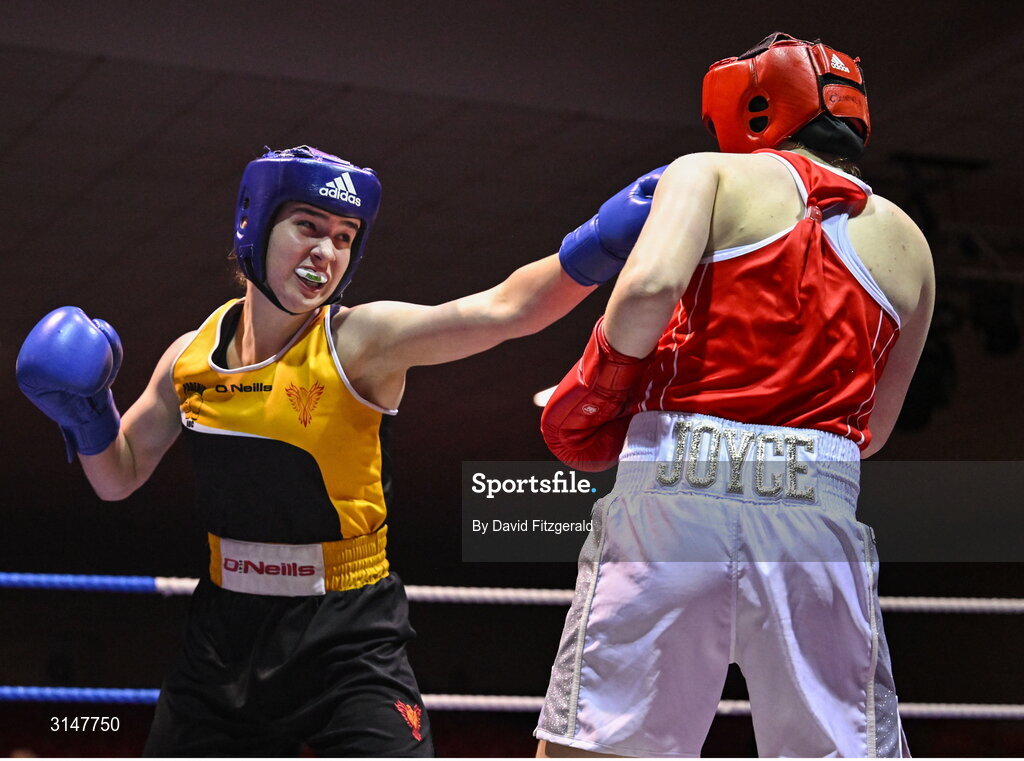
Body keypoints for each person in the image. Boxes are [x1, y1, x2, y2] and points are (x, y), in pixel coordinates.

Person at [16, 145, 662, 756]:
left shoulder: (359, 340)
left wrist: (604, 237)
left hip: (346, 631)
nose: (325, 251)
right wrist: (86, 410)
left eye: (344, 237)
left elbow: (505, 310)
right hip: (223, 633)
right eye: (308, 225)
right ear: (254, 225)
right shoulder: (189, 357)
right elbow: (117, 477)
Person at [534, 33, 933, 758]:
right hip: (817, 510)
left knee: (598, 749)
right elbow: (871, 428)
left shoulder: (709, 172)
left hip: (676, 497)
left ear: (754, 107)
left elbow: (650, 289)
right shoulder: (910, 241)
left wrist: (598, 386)